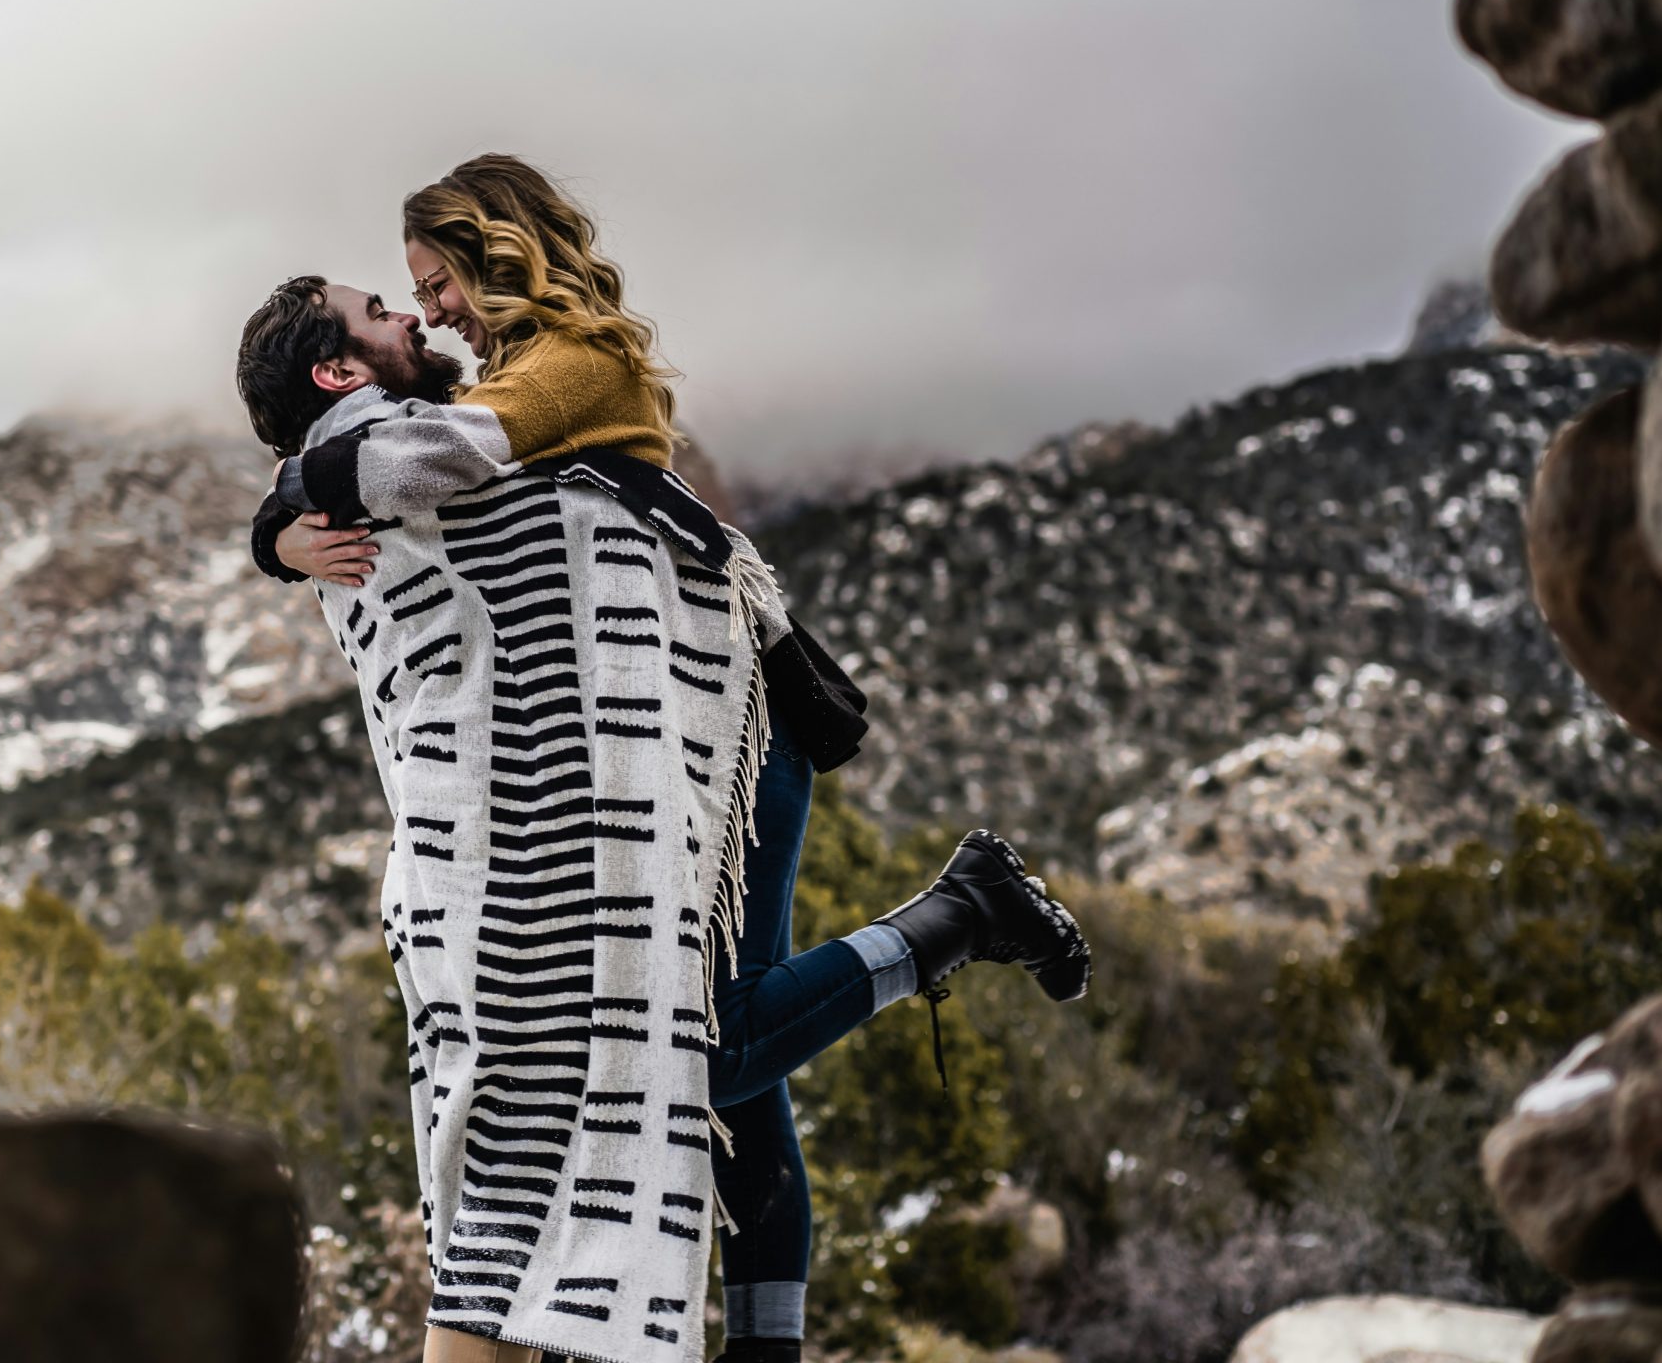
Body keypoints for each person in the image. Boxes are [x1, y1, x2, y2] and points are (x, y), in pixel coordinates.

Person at [237, 159, 1089, 1363]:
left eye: (430, 285)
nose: (424, 310)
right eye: (399, 300)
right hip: (670, 745)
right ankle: (768, 1342)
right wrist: (282, 533)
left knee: (711, 1048)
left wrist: (277, 516)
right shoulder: (497, 381)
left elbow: (422, 469)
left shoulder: (573, 365)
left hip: (723, 733)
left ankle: (952, 921)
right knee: (733, 1069)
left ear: (492, 258)